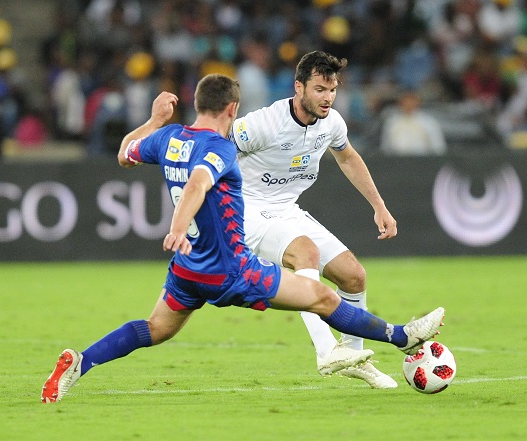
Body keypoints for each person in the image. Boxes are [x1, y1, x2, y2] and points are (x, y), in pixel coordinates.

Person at [40, 73, 445, 403]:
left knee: (155, 329)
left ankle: (80, 361)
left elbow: (125, 153)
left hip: (188, 268)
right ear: (232, 109)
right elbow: (199, 182)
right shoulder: (219, 148)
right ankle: (403, 337)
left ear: (198, 104)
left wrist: (154, 121)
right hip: (232, 269)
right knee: (322, 297)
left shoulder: (169, 138)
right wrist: (177, 227)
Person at [230, 51, 400, 389]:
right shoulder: (264, 123)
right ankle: (326, 351)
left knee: (354, 276)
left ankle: (355, 358)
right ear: (299, 87)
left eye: (333, 89)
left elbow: (348, 157)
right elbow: (215, 148)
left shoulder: (332, 122)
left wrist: (379, 205)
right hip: (246, 210)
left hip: (286, 209)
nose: (328, 98)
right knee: (305, 253)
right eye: (320, 89)